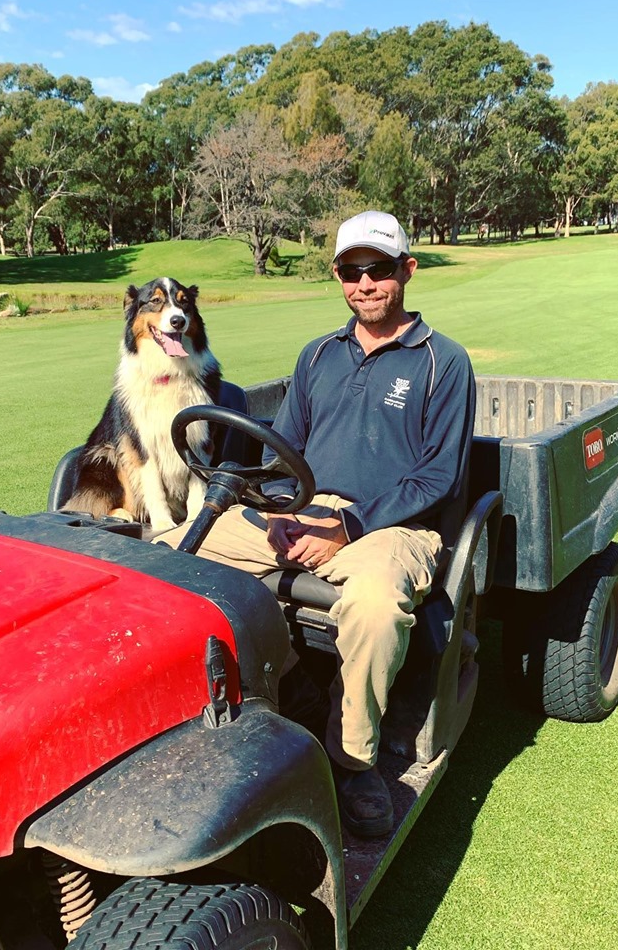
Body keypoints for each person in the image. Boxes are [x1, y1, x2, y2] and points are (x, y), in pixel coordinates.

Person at [162, 211, 475, 838]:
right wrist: (278, 511)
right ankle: (237, 707)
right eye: (351, 270)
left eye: (379, 269)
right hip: (306, 509)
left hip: (395, 526)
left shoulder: (444, 362)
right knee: (173, 551)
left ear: (407, 271)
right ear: (337, 275)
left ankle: (353, 760)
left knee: (375, 608)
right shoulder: (319, 356)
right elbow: (287, 448)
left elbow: (438, 477)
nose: (365, 283)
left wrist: (349, 526)